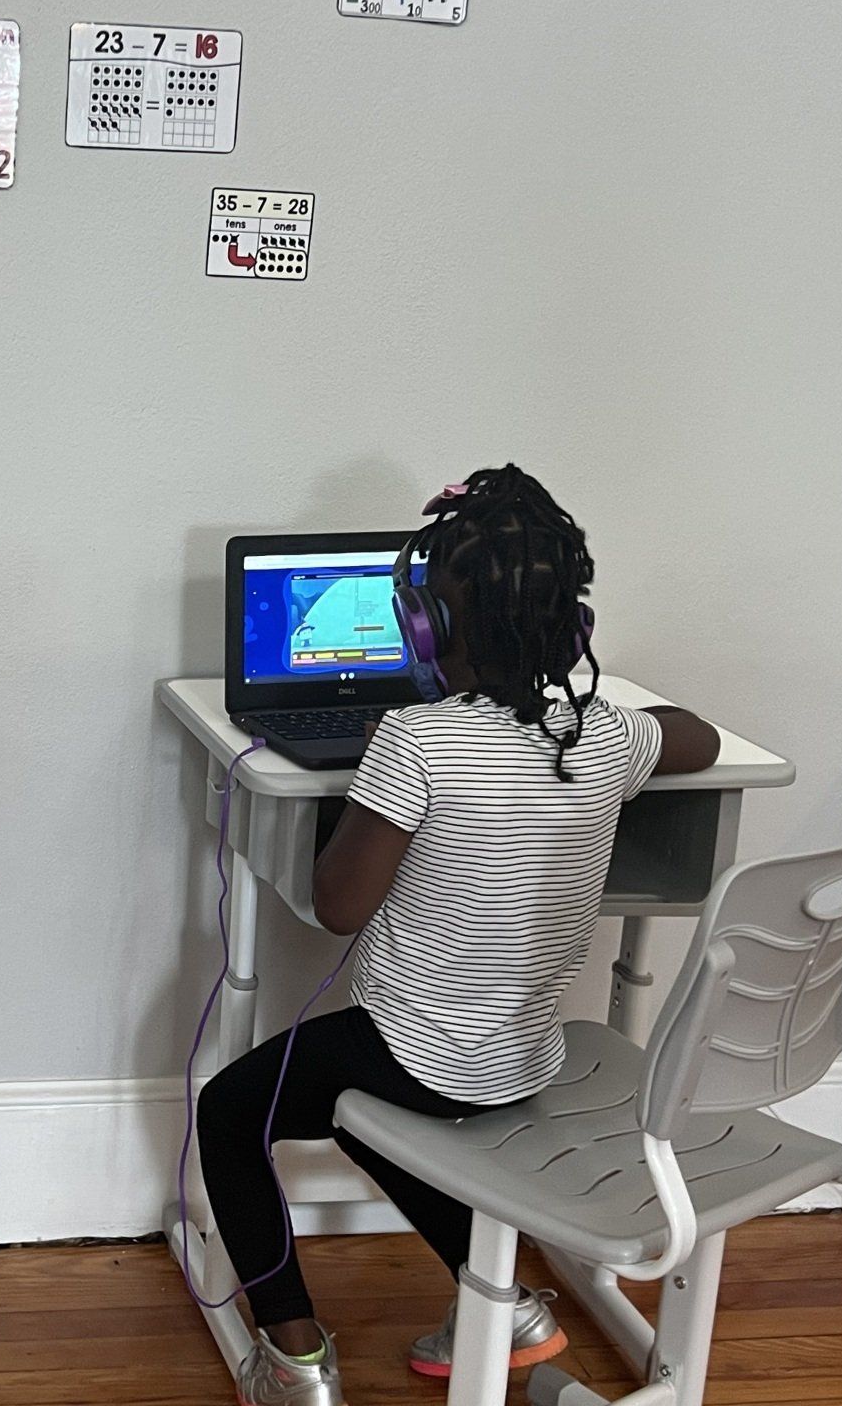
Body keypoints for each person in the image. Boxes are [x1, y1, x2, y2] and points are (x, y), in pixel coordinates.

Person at [199, 465, 721, 1405]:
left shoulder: (417, 739)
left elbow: (338, 906)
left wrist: (374, 804)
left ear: (429, 627)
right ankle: (509, 1306)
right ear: (574, 629)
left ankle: (295, 1361)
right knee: (369, 1123)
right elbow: (700, 740)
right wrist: (606, 716)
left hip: (414, 1053)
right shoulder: (602, 734)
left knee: (232, 1112)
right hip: (525, 1053)